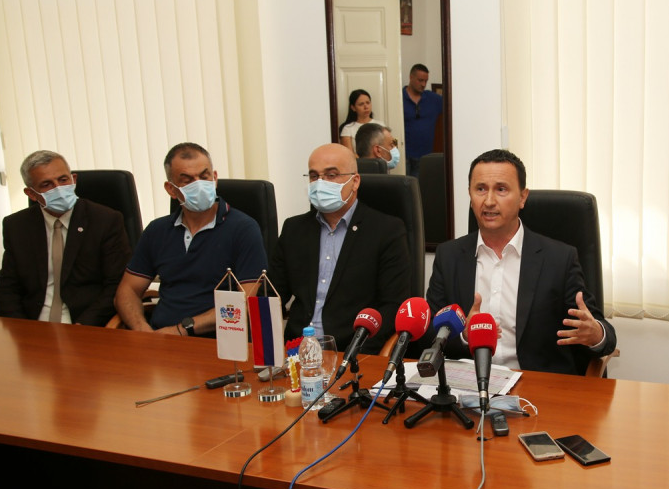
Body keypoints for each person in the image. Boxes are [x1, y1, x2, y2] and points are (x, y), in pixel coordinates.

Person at [427, 149, 616, 375]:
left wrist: (595, 334)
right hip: (468, 383)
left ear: (523, 197)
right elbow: (428, 335)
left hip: (536, 385)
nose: (489, 201)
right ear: (470, 194)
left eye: (501, 189)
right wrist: (464, 336)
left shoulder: (559, 259)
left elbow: (604, 334)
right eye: (480, 189)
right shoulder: (449, 256)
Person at [113, 142, 266, 336]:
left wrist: (181, 330)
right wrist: (142, 330)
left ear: (215, 178)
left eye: (204, 177)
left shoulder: (243, 229)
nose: (198, 185)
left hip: (218, 340)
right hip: (159, 337)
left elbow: (247, 302)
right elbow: (128, 291)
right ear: (171, 189)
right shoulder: (157, 230)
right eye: (187, 181)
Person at [268, 143, 411, 350]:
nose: (320, 183)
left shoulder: (387, 230)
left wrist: (357, 355)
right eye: (314, 176)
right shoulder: (294, 229)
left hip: (351, 351)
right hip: (295, 351)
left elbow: (393, 306)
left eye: (331, 175)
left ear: (355, 181)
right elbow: (271, 296)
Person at [0, 150, 131, 326]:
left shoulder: (105, 220)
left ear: (74, 180)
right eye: (47, 184)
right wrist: (22, 327)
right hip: (33, 324)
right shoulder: (17, 226)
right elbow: (7, 287)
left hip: (84, 323)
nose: (58, 188)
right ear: (31, 194)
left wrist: (83, 326)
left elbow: (116, 285)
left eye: (63, 180)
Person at [402, 64, 443, 177]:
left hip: (425, 157)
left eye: (426, 81)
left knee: (421, 186)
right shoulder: (399, 98)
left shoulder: (433, 99)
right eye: (420, 80)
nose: (423, 84)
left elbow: (452, 105)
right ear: (411, 77)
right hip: (404, 156)